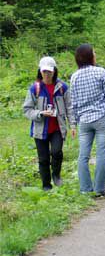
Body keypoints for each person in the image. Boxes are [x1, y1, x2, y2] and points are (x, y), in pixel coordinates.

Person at [70, 45, 105, 197]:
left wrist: (74, 122)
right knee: (101, 153)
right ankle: (99, 189)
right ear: (90, 56)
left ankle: (85, 189)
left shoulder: (74, 76)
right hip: (102, 117)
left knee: (83, 156)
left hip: (84, 120)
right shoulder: (100, 72)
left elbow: (73, 103)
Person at [23, 57, 75, 191]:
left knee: (57, 152)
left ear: (54, 71)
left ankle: (56, 175)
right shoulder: (35, 88)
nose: (47, 74)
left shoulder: (62, 87)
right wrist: (40, 113)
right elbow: (27, 109)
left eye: (49, 71)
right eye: (44, 71)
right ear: (40, 71)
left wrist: (72, 125)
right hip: (40, 129)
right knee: (43, 159)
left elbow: (70, 107)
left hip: (57, 127)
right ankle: (46, 185)